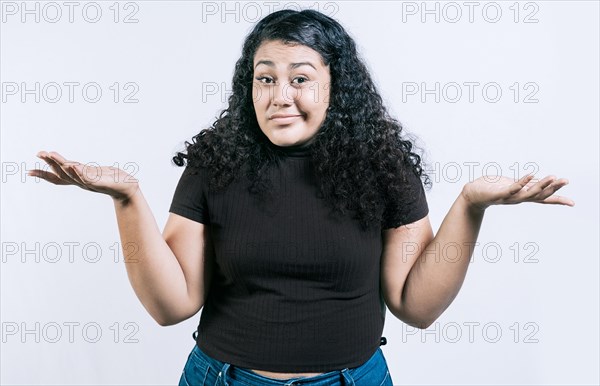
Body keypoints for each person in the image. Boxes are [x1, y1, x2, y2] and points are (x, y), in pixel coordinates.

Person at [29, 9, 574, 386]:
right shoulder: (214, 162)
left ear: (337, 87)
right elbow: (173, 306)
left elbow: (416, 305)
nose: (280, 97)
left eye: (300, 79)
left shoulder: (383, 166)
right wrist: (126, 198)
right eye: (264, 79)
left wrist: (470, 205)